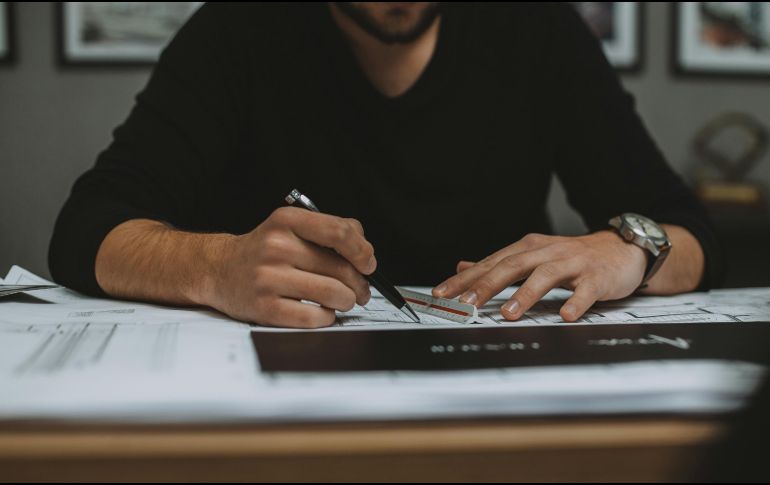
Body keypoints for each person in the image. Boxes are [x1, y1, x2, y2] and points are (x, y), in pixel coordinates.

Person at [49, 3, 722, 328]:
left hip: (493, 395)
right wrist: (212, 268)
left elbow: (690, 229)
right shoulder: (240, 28)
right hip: (283, 399)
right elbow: (87, 226)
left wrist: (632, 247)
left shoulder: (536, 28)